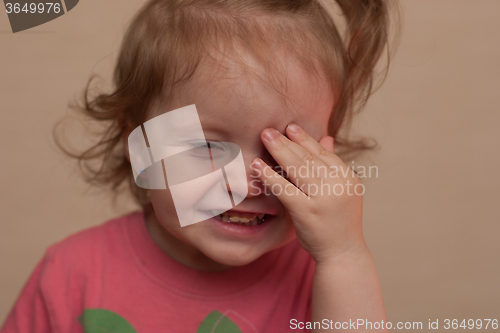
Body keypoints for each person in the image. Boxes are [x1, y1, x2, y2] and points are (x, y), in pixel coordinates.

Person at [1, 0, 399, 331]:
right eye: (207, 145)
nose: (247, 182)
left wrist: (345, 254)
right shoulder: (72, 274)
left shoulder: (326, 281)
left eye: (283, 149)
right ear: (139, 143)